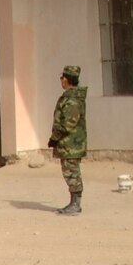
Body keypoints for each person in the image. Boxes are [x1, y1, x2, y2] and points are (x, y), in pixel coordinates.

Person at [49, 63, 87, 215]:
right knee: (70, 173)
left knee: (72, 174)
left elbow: (68, 123)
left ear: (67, 79)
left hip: (71, 144)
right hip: (69, 144)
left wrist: (55, 137)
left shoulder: (72, 99)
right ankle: (73, 203)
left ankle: (76, 205)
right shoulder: (71, 97)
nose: (61, 80)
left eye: (62, 78)